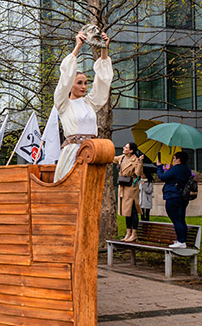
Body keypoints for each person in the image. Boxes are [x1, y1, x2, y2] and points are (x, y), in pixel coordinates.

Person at [53, 28, 113, 182]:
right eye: (79, 83)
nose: (84, 86)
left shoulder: (89, 103)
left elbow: (103, 83)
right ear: (71, 85)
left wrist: (104, 49)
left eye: (86, 83)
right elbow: (65, 77)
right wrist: (78, 46)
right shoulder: (63, 103)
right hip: (72, 154)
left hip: (92, 153)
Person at [157, 151, 192, 249]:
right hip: (183, 197)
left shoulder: (176, 169)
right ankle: (182, 240)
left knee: (176, 219)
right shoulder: (187, 169)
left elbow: (162, 177)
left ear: (179, 159)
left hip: (173, 196)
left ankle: (181, 241)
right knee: (181, 219)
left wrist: (159, 167)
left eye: (174, 158)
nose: (173, 160)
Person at [114, 143, 144, 242]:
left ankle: (134, 234)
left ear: (131, 151)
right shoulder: (122, 157)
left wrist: (140, 162)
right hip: (123, 186)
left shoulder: (136, 160)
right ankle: (128, 233)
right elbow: (112, 158)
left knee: (133, 210)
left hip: (131, 188)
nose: (123, 148)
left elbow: (138, 173)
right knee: (127, 211)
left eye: (126, 147)